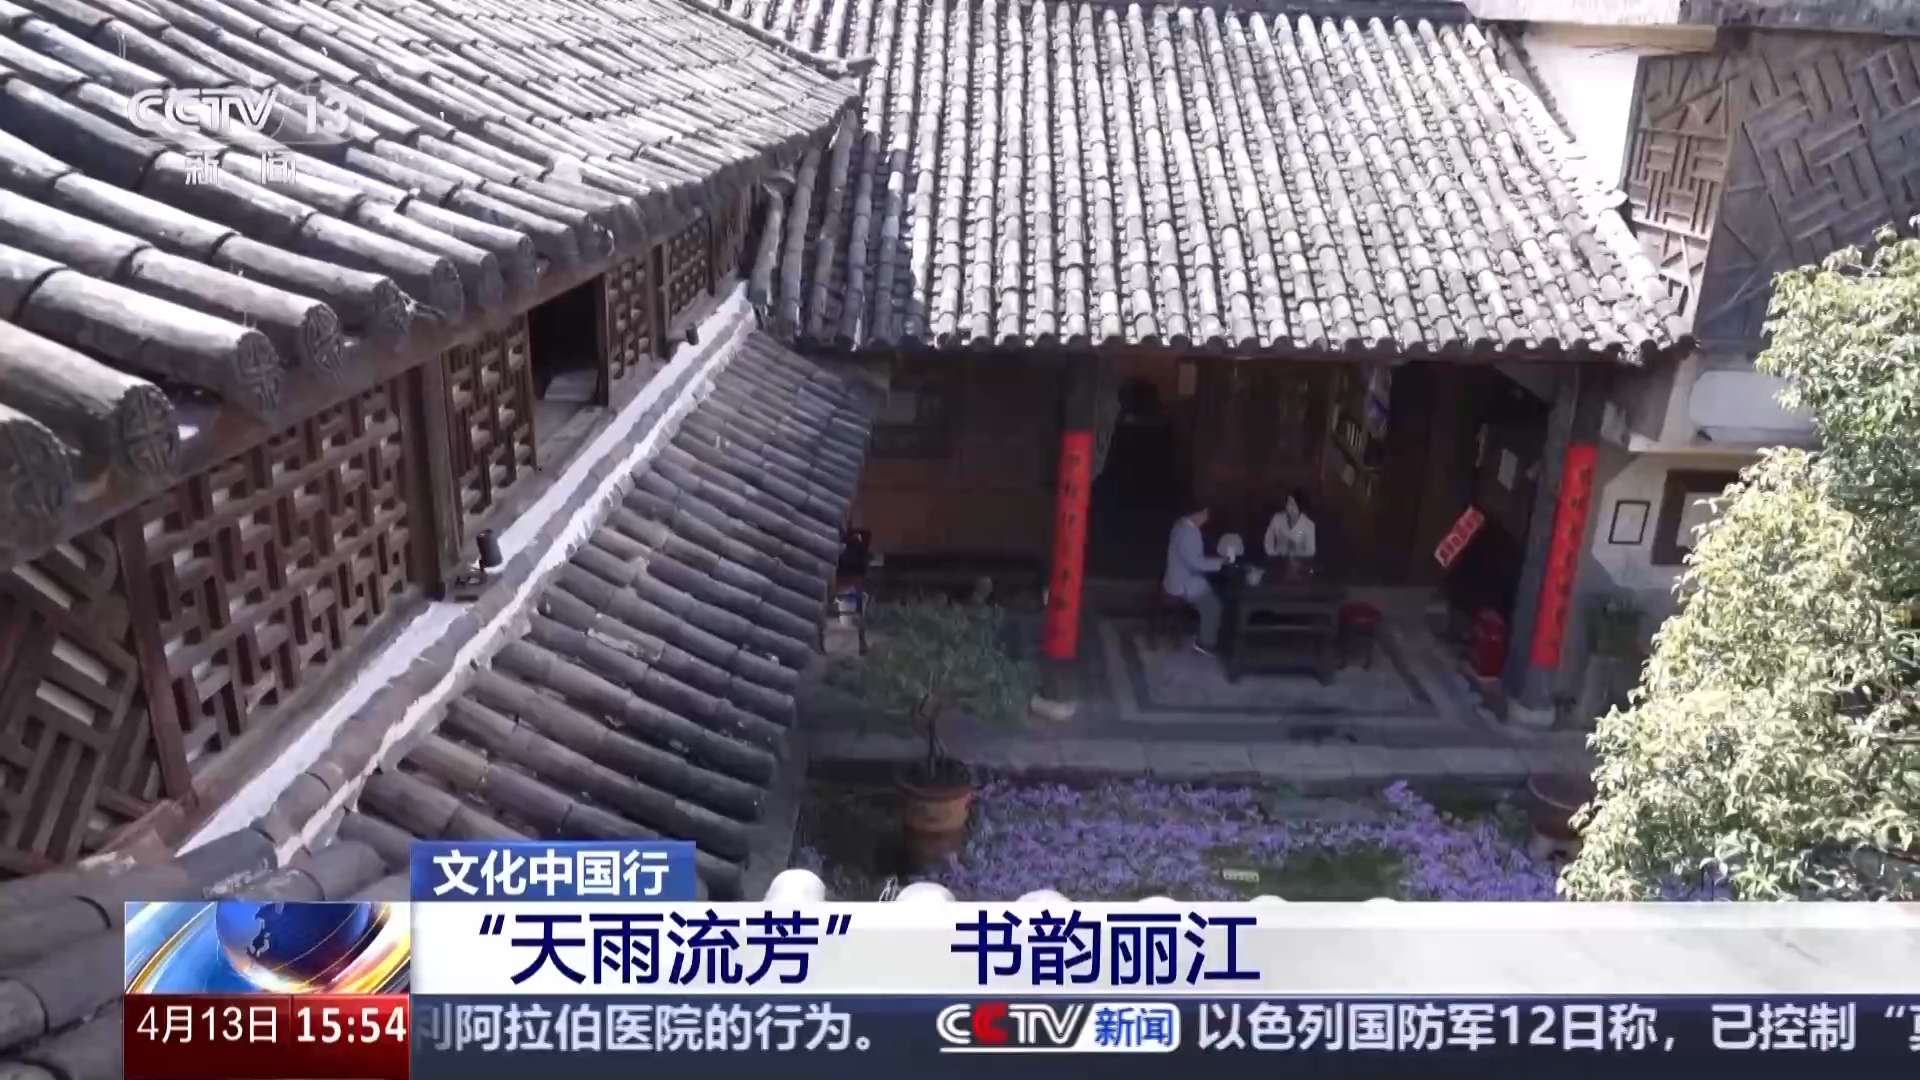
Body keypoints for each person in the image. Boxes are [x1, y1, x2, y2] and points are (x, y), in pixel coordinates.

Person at [1164, 504, 1228, 655]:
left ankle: (1205, 631)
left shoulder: (1180, 524)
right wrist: (1221, 563)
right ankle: (1204, 643)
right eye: (1205, 514)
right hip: (1184, 582)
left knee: (1212, 592)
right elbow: (1195, 563)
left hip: (1175, 577)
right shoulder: (1189, 532)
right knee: (1213, 605)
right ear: (1197, 514)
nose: (1207, 518)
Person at [1264, 489, 1317, 566]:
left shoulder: (1309, 525)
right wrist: (1275, 554)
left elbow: (1311, 551)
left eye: (1293, 505)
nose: (1289, 508)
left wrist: (1294, 554)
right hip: (1278, 562)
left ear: (1300, 507)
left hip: (1299, 564)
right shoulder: (1277, 518)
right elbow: (1268, 539)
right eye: (1287, 504)